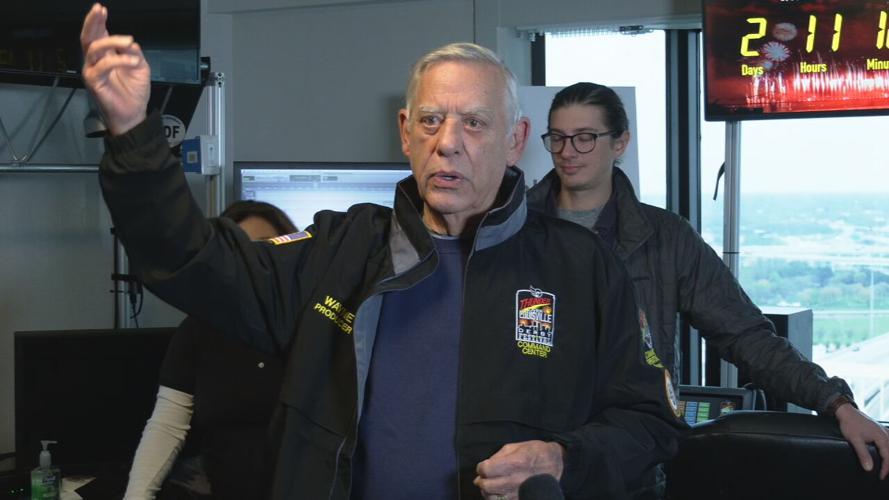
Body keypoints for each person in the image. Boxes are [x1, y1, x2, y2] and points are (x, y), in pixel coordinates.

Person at [80, 4, 687, 498]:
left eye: (474, 123)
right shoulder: (339, 249)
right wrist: (134, 136)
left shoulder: (580, 267)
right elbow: (195, 263)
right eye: (430, 120)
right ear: (405, 133)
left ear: (515, 140)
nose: (448, 143)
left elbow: (650, 424)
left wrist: (562, 457)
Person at [526, 82, 889, 482]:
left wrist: (835, 403)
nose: (567, 152)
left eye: (585, 138)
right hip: (529, 456)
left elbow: (745, 335)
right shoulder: (511, 232)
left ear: (620, 143)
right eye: (557, 138)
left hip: (629, 464)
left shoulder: (665, 238)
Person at [123, 201, 296, 500]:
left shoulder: (313, 325)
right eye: (241, 250)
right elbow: (167, 424)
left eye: (266, 247)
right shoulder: (200, 328)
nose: (255, 262)